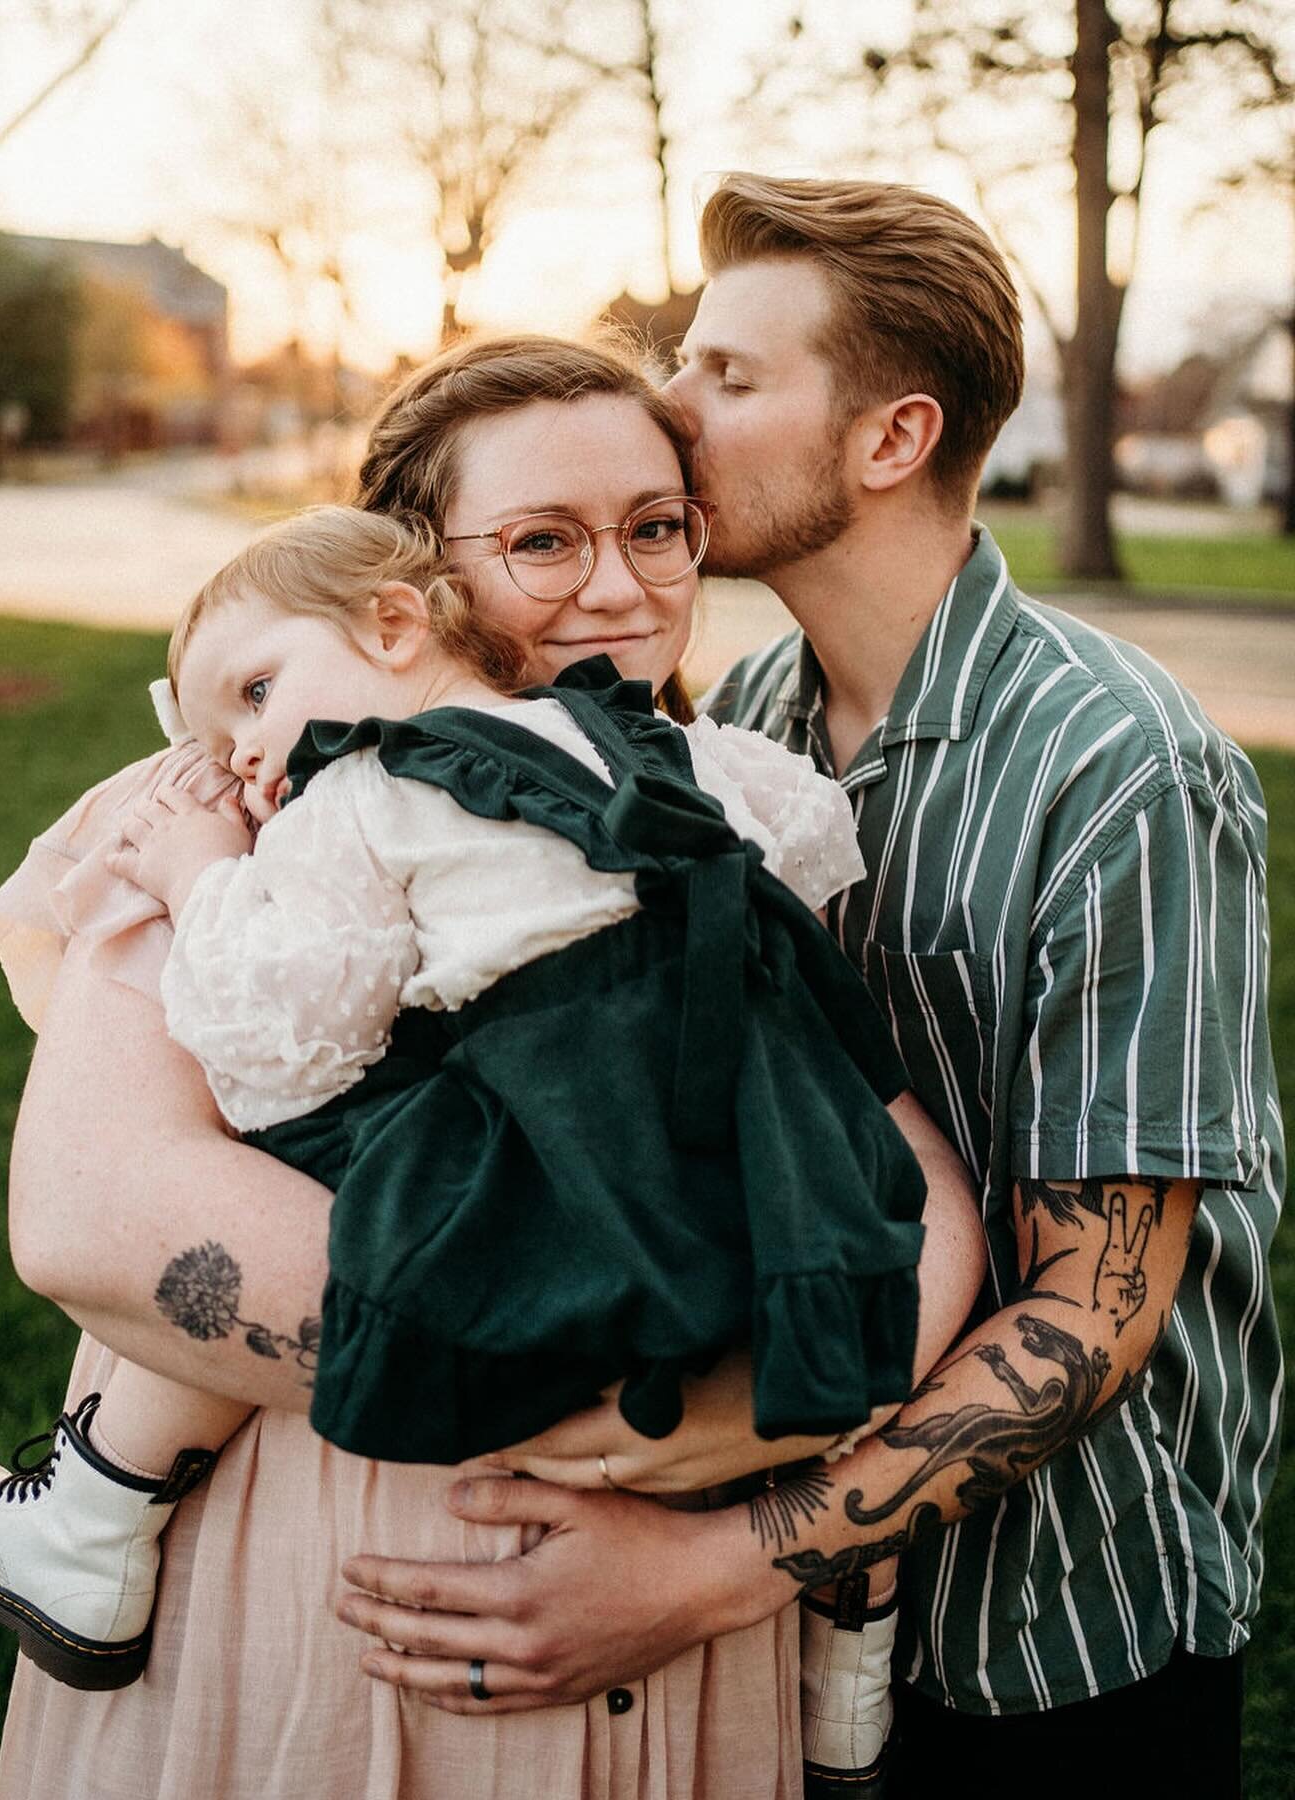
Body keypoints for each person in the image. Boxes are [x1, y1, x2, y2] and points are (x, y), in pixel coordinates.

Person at [323, 181, 1284, 1800]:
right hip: (789, 1618)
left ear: (891, 438)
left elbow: (1100, 1305)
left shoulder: (1126, 768)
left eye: (727, 377)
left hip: (1055, 1620)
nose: (671, 411)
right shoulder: (741, 711)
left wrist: (694, 1578)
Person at [0, 336, 983, 1800]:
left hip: (669, 1591)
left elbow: (896, 1165)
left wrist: (733, 1485)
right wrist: (661, 1374)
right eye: (544, 541)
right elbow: (88, 1212)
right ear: (411, 582)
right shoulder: (231, 802)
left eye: (656, 527)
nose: (623, 585)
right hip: (353, 1566)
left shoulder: (680, 799)